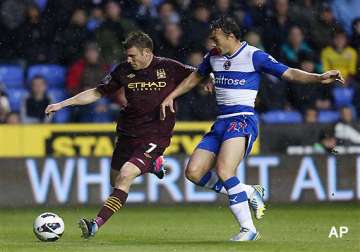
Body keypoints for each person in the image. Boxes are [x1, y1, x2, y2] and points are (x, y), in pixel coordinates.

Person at [160, 16, 344, 241]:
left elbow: (289, 73)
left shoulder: (253, 56)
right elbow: (194, 77)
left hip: (243, 120)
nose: (212, 42)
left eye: (216, 38)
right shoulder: (214, 57)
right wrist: (172, 96)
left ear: (231, 36)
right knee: (194, 172)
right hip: (221, 122)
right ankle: (247, 191)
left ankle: (249, 230)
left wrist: (318, 77)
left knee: (225, 171)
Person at [45, 31, 197, 239]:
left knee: (126, 175)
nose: (128, 59)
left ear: (146, 52)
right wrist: (62, 104)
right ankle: (153, 165)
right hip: (127, 131)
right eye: (127, 56)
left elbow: (198, 73)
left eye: (132, 56)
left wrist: (210, 79)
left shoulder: (169, 67)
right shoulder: (123, 71)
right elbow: (97, 92)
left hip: (156, 134)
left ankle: (94, 225)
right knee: (115, 181)